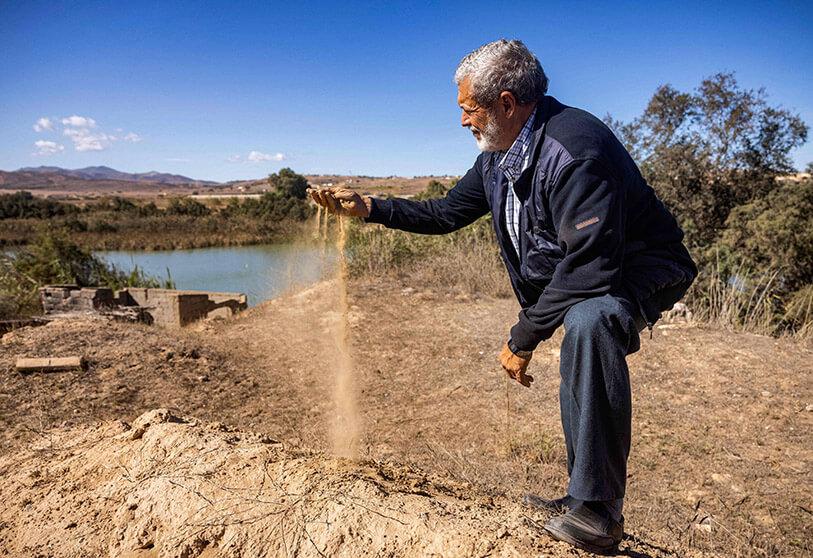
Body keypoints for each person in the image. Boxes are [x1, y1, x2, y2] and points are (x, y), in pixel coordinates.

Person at [309, 39, 696, 554]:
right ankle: (580, 497)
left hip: (643, 264)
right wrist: (371, 207)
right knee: (583, 327)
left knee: (592, 321)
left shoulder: (576, 150)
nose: (464, 120)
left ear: (507, 103)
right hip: (587, 266)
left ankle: (599, 512)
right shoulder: (499, 154)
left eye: (469, 108)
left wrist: (524, 335)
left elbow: (592, 265)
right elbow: (446, 213)